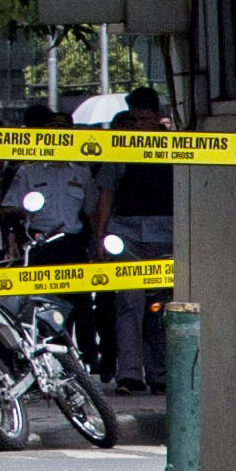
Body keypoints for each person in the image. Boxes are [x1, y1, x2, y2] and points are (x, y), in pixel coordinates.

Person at [103, 86, 176, 391]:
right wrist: (100, 237)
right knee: (129, 302)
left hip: (166, 234)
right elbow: (106, 193)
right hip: (127, 233)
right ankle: (130, 374)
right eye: (134, 120)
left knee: (162, 305)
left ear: (158, 117)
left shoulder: (174, 147)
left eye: (145, 120)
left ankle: (161, 374)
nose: (139, 126)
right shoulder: (120, 148)